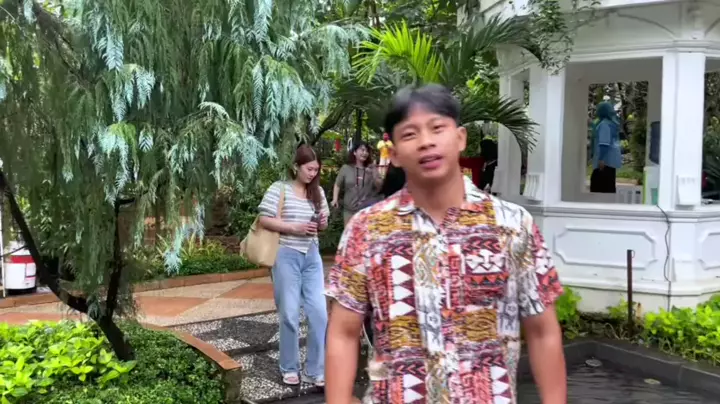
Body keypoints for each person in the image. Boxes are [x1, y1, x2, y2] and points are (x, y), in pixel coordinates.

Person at [325, 84, 567, 404]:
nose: (426, 141)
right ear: (394, 154)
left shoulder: (512, 225)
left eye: (437, 128)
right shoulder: (367, 230)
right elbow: (343, 333)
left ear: (460, 137)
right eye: (410, 134)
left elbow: (542, 331)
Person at [258, 144, 329, 387]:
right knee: (289, 313)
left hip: (312, 255)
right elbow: (264, 219)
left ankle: (315, 369)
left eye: (316, 170)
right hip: (286, 254)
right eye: (309, 169)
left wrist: (321, 222)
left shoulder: (318, 192)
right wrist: (294, 227)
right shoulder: (279, 189)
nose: (312, 174)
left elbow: (323, 225)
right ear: (296, 167)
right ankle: (289, 367)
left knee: (319, 313)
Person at [331, 141, 382, 225]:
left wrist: (373, 173)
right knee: (349, 232)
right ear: (354, 152)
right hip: (349, 212)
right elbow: (337, 184)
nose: (365, 153)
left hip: (366, 211)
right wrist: (335, 199)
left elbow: (380, 187)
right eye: (362, 150)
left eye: (367, 151)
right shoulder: (346, 168)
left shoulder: (372, 169)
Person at [590, 101, 622, 193]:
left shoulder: (604, 125)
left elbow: (604, 143)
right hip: (611, 162)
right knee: (609, 187)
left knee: (598, 187)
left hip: (604, 162)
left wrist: (601, 159)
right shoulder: (611, 123)